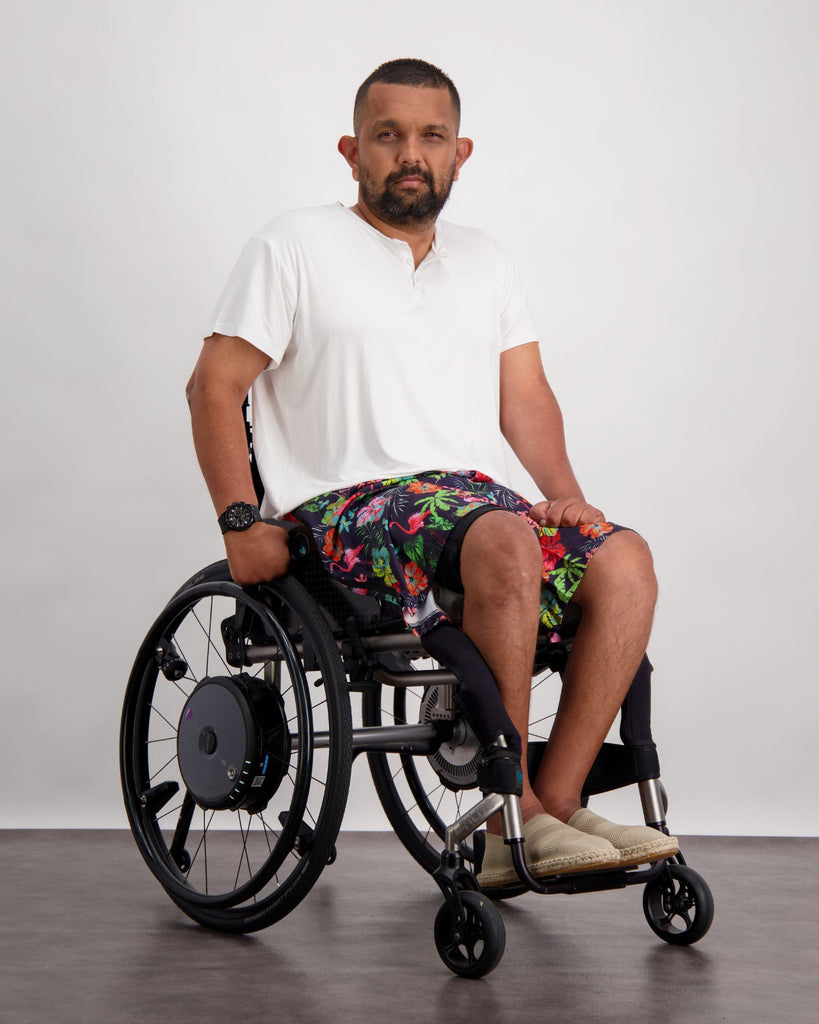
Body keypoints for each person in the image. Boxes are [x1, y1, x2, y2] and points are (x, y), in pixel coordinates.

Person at [186, 58, 677, 887]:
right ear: (351, 151)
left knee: (623, 560)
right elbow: (213, 385)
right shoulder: (293, 244)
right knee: (503, 542)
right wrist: (239, 521)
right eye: (388, 136)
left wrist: (565, 496)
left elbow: (524, 399)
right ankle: (508, 809)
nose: (409, 153)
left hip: (471, 502)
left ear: (461, 153)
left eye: (430, 137)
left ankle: (547, 808)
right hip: (342, 505)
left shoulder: (485, 261)